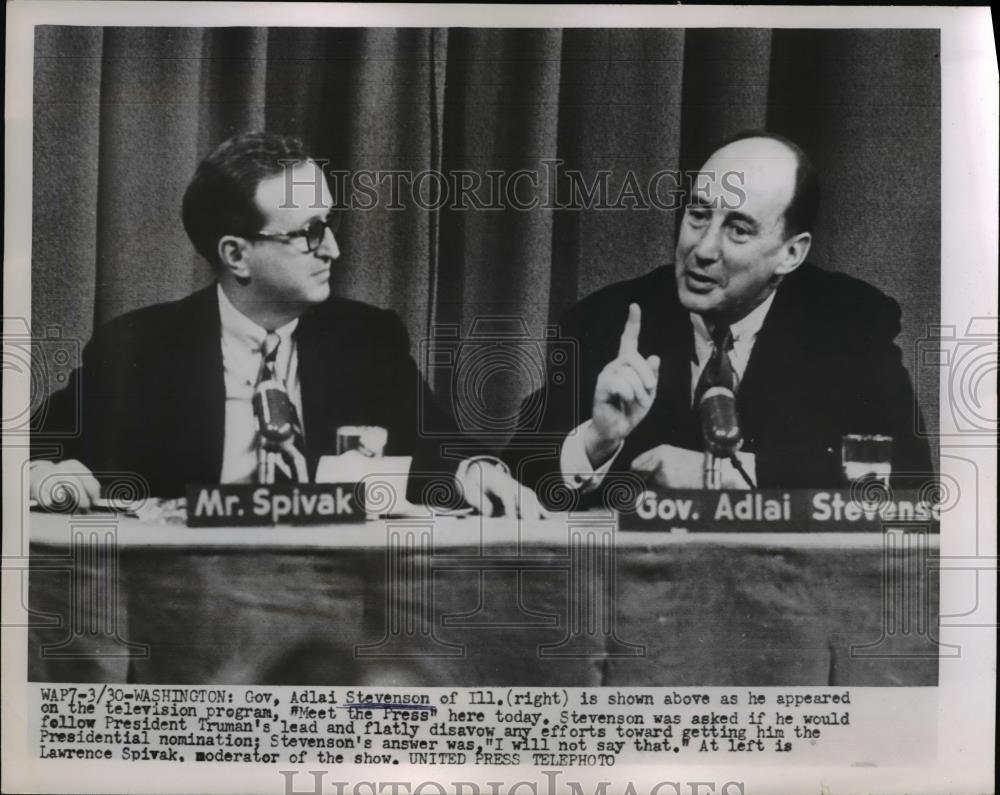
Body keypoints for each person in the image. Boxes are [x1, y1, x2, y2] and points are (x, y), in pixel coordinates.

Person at [30, 131, 542, 517]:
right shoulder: (138, 348)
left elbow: (441, 450)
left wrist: (472, 471)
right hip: (186, 602)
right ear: (236, 255)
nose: (333, 249)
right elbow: (29, 455)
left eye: (330, 224)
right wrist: (43, 476)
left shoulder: (366, 339)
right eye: (307, 233)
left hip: (334, 605)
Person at [506, 131, 932, 506]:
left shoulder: (849, 323)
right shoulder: (606, 321)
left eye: (738, 229)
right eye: (699, 215)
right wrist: (598, 442)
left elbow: (908, 481)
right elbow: (514, 474)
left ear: (791, 253)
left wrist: (723, 476)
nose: (703, 248)